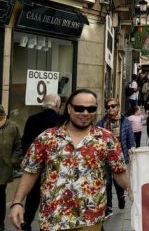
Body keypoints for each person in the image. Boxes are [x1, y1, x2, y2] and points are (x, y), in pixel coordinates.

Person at [10, 89, 131, 231]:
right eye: (80, 108)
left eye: (91, 109)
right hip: (53, 221)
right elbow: (31, 171)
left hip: (90, 222)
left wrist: (133, 189)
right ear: (69, 108)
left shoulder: (106, 139)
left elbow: (119, 171)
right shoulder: (47, 138)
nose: (85, 113)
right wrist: (17, 202)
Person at [19, 94, 61, 231]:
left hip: (36, 164)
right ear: (57, 105)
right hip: (55, 165)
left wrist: (30, 159)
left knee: (33, 195)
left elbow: (25, 141)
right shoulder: (60, 121)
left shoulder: (32, 119)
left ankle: (27, 221)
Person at [96, 98, 135, 214]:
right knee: (107, 182)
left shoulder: (125, 122)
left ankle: (121, 196)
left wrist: (132, 149)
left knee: (118, 182)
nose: (110, 109)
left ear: (118, 107)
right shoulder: (101, 123)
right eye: (108, 107)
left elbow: (130, 139)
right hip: (105, 158)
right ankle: (109, 207)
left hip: (120, 157)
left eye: (113, 106)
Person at [0, 104, 22, 230]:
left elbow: (18, 146)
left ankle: (0, 223)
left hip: (4, 168)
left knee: (0, 197)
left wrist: (13, 161)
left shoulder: (12, 127)